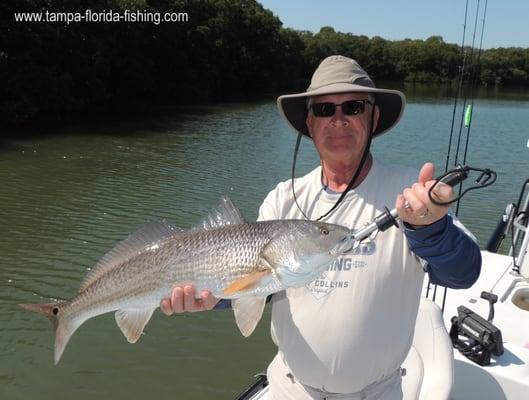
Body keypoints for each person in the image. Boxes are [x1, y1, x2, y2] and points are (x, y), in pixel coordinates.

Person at [160, 55, 481, 399]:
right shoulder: (282, 198)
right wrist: (210, 296)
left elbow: (463, 274)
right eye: (325, 110)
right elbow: (261, 285)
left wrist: (430, 229)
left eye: (353, 107)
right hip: (289, 388)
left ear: (373, 118)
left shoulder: (411, 192)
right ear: (309, 124)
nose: (338, 120)